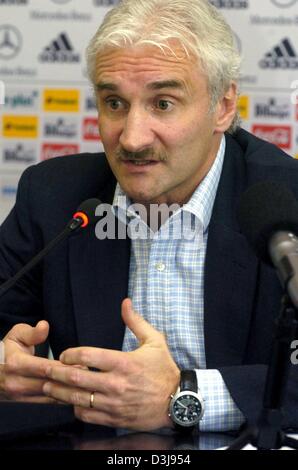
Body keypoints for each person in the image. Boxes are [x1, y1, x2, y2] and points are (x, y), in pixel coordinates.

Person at [0, 0, 297, 434]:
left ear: (223, 105)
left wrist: (184, 396)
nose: (133, 139)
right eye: (115, 103)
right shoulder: (53, 196)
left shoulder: (285, 203)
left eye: (163, 103)